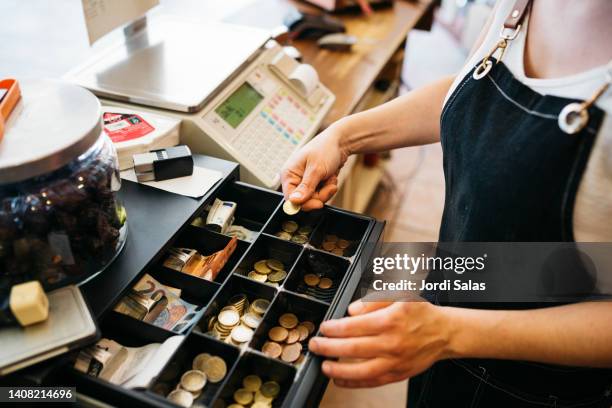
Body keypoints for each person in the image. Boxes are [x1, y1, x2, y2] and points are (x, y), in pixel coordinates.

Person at [280, 0, 612, 406]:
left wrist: (450, 332)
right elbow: (473, 82)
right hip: (453, 313)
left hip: (542, 388)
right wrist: (344, 136)